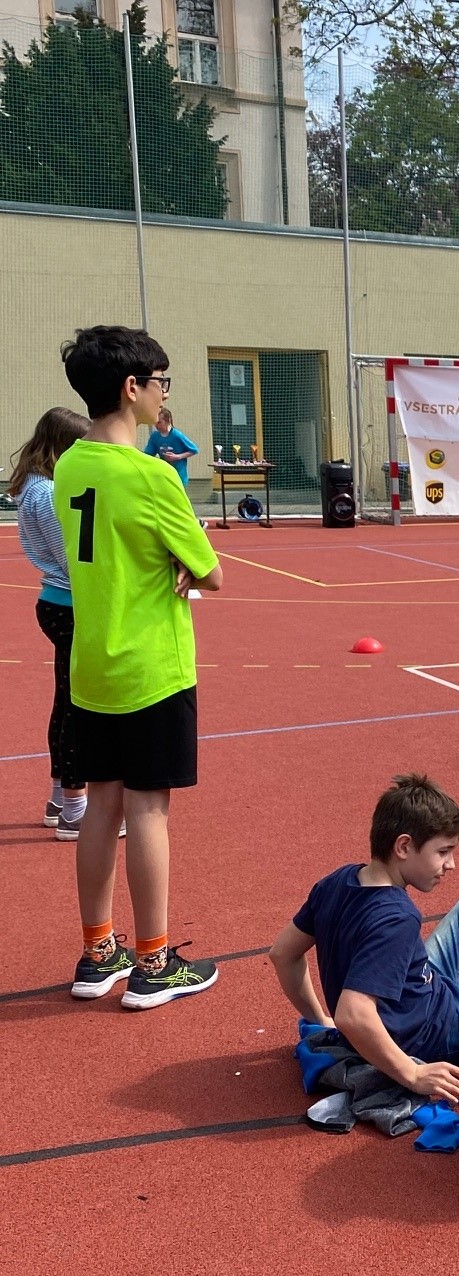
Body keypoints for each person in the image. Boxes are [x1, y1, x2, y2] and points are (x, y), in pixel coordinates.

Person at [54, 326, 222, 1008]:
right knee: (149, 808)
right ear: (132, 387)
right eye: (160, 382)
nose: (163, 394)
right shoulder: (153, 476)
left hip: (92, 664)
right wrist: (188, 555)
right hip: (152, 666)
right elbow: (211, 572)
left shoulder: (70, 464)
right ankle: (154, 962)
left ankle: (99, 953)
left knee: (102, 805)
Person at [270, 774, 459, 1114]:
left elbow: (283, 954)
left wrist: (318, 1018)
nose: (451, 865)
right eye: (443, 852)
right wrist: (412, 1073)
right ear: (403, 847)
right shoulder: (397, 918)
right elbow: (352, 1013)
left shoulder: (337, 880)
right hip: (437, 1031)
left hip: (424, 992)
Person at [9, 406, 89, 837]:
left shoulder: (35, 486)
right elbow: (72, 558)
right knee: (78, 706)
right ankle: (75, 806)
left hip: (57, 601)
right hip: (70, 603)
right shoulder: (48, 493)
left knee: (66, 700)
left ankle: (61, 797)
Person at [143, 405, 198, 493]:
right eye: (156, 422)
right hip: (164, 475)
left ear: (168, 421)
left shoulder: (177, 435)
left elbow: (194, 450)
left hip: (178, 475)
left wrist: (178, 457)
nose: (157, 425)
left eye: (159, 422)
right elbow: (148, 454)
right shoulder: (155, 437)